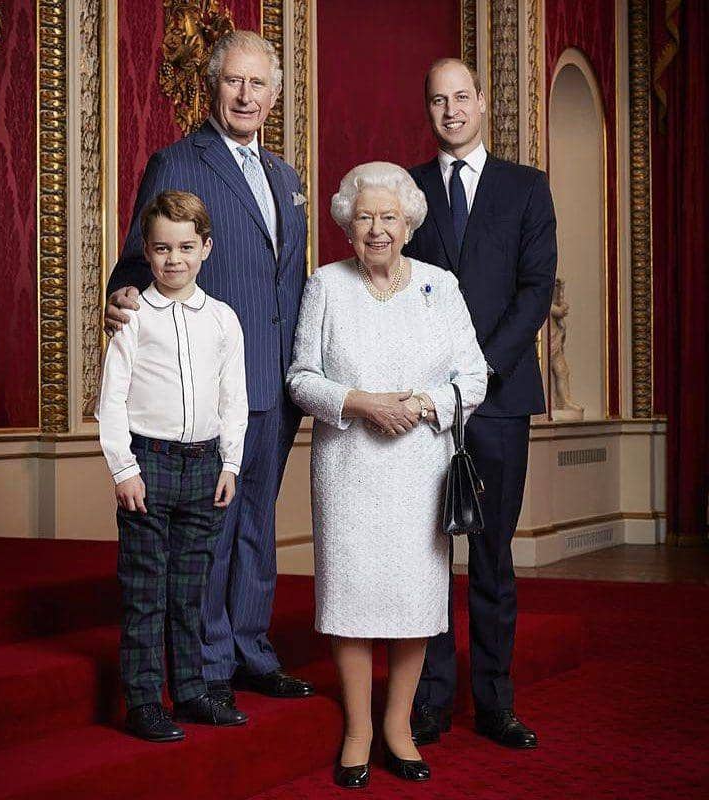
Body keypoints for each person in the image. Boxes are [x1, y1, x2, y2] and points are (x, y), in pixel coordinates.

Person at [104, 30, 313, 706]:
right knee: (211, 534)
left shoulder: (285, 176)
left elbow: (287, 279)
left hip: (277, 380)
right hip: (208, 382)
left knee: (257, 524)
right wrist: (122, 295)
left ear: (273, 96)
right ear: (213, 86)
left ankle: (252, 649)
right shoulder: (178, 162)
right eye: (233, 81)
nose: (246, 95)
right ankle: (206, 666)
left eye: (258, 84)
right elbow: (136, 259)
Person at [287, 162, 488, 788]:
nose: (377, 229)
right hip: (347, 468)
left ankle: (398, 727)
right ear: (347, 224)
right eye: (365, 217)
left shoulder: (439, 286)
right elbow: (301, 379)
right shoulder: (326, 284)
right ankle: (358, 730)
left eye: (389, 218)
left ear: (409, 224)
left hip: (419, 469)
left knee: (412, 601)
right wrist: (361, 403)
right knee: (349, 599)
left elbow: (474, 377)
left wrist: (423, 405)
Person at [405, 58, 557, 750]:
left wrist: (480, 370)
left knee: (492, 557)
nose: (451, 111)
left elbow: (535, 290)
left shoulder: (527, 188)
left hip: (498, 398)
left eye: (461, 97)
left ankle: (495, 702)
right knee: (429, 556)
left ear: (483, 102)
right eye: (439, 101)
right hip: (426, 403)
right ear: (429, 109)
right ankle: (430, 700)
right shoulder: (406, 190)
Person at [97, 191, 249, 739]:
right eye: (162, 248)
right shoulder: (134, 317)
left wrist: (230, 463)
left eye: (186, 247)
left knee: (190, 591)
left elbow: (233, 398)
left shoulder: (224, 319)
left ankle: (190, 692)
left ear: (205, 248)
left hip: (205, 466)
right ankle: (143, 701)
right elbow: (112, 399)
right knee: (145, 590)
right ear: (147, 250)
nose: (174, 259)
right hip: (149, 464)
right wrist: (123, 469)